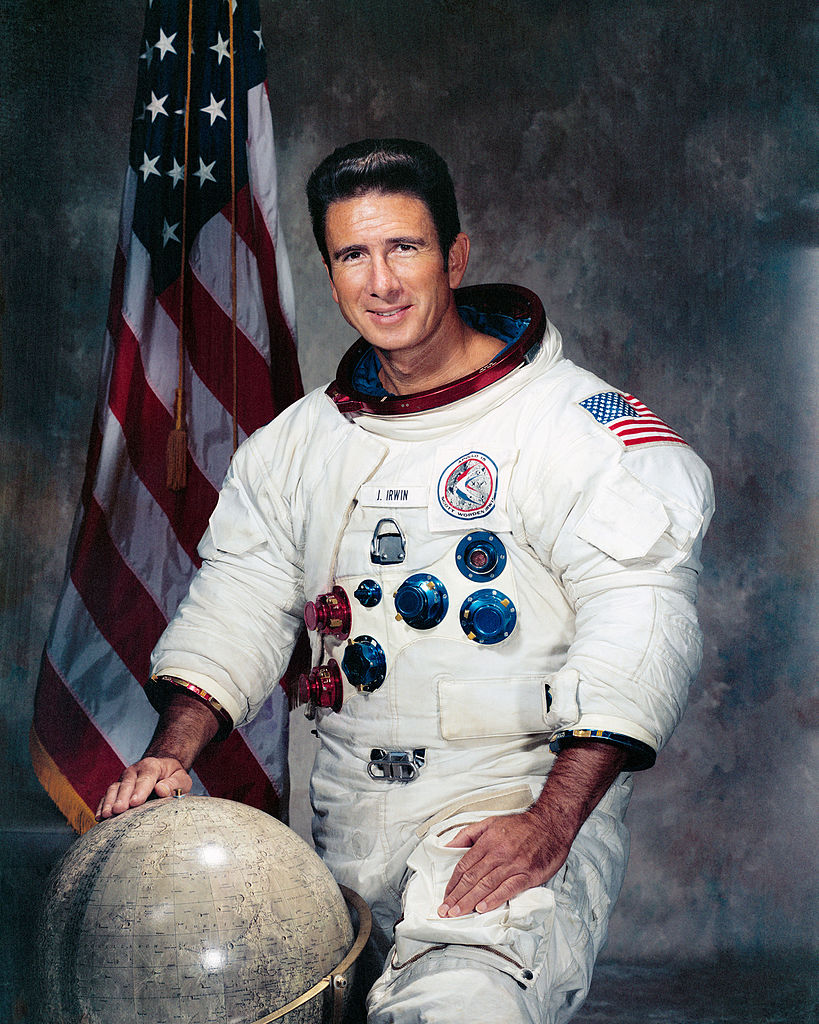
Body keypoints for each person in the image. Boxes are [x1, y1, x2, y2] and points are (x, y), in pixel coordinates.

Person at [97, 138, 714, 1023]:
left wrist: (551, 823)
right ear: (329, 273)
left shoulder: (571, 427)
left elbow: (640, 621)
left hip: (505, 815)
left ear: (454, 257)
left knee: (462, 1006)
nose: (381, 282)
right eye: (353, 254)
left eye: (404, 248)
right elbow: (238, 600)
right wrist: (171, 751)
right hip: (348, 831)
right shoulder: (299, 446)